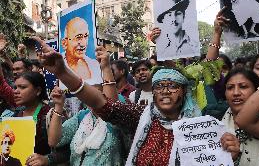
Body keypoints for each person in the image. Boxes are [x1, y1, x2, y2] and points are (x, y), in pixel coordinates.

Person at [34, 38, 240, 165]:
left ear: (184, 92)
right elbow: (102, 104)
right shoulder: (140, 116)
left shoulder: (201, 126)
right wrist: (63, 72)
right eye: (159, 86)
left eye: (173, 86)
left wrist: (228, 151)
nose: (165, 91)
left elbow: (215, 159)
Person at [221, 67, 259, 165]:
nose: (236, 93)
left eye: (243, 87)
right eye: (230, 88)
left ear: (256, 91)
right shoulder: (215, 124)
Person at [12, 72, 51, 158]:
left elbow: (65, 152)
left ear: (38, 91)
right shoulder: (16, 114)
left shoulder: (50, 115)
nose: (16, 91)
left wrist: (46, 159)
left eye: (22, 87)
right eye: (15, 87)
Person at [61, 17, 102, 85]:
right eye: (78, 37)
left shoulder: (94, 65)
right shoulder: (58, 65)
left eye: (86, 36)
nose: (84, 43)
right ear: (64, 43)